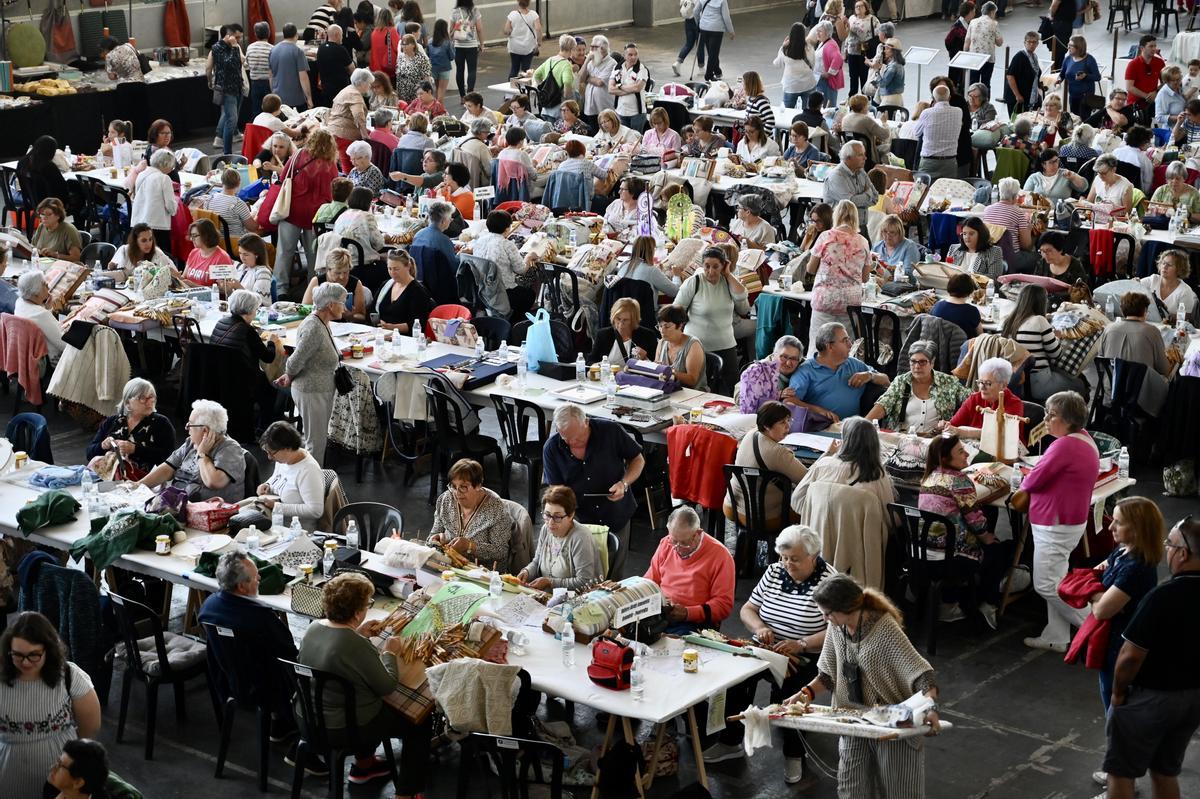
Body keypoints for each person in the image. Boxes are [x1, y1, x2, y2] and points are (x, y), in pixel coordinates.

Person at [783, 573, 940, 797]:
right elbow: (828, 675)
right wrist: (804, 694)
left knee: (901, 789)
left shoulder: (884, 630)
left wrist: (930, 708)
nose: (825, 619)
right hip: (853, 716)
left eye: (827, 613)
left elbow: (923, 676)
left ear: (845, 608)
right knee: (851, 788)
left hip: (892, 718)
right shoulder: (838, 628)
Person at [702, 524, 834, 783]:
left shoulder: (829, 582)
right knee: (736, 680)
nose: (787, 564)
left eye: (794, 559)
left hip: (805, 653)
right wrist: (760, 627)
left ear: (813, 556)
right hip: (766, 648)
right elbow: (747, 610)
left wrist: (802, 643)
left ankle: (794, 754)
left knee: (791, 691)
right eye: (783, 557)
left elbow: (837, 629)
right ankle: (730, 742)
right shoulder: (774, 572)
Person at [297, 573, 431, 797]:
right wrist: (390, 652)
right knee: (419, 723)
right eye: (368, 603)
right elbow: (387, 686)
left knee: (357, 697)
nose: (368, 608)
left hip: (308, 719)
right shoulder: (355, 645)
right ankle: (406, 793)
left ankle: (365, 766)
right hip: (343, 729)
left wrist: (358, 633)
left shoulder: (313, 629)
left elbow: (334, 653)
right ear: (358, 612)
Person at [1102, 516, 1200, 799]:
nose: (1166, 550)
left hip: (1153, 698)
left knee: (1121, 773)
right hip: (1193, 698)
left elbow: (1130, 655)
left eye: (1170, 544)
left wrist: (1118, 692)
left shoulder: (1163, 596)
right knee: (1165, 771)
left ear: (1183, 554)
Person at [1004, 389, 1100, 653]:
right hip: (1069, 520)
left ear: (1068, 420)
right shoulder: (1084, 439)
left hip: (1055, 523)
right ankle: (1056, 636)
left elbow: (1033, 480)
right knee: (1056, 579)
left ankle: (1095, 626)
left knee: (1045, 584)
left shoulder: (1064, 445)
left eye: (1052, 415)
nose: (1046, 419)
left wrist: (1027, 475)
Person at [196, 550, 308, 747]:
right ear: (241, 586)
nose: (259, 578)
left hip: (226, 680)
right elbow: (289, 653)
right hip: (262, 688)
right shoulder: (260, 617)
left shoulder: (208, 606)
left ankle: (280, 723)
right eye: (256, 576)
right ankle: (307, 741)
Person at [0, 612, 102, 799]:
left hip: (61, 775)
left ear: (48, 650)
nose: (25, 662)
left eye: (34, 655)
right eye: (17, 655)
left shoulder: (69, 676)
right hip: (9, 774)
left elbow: (90, 726)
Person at [919, 432, 1013, 627]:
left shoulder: (928, 478)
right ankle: (987, 604)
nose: (966, 456)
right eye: (961, 452)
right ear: (945, 458)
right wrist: (986, 536)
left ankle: (951, 601)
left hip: (924, 554)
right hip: (952, 558)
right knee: (1000, 550)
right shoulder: (960, 480)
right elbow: (976, 521)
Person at [543, 404, 645, 577]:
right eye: (566, 438)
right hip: (579, 517)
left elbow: (637, 459)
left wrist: (623, 483)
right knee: (580, 573)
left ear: (586, 423)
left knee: (614, 575)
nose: (572, 443)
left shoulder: (610, 431)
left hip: (615, 512)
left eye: (577, 438)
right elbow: (556, 493)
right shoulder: (552, 448)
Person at [1088, 497, 1165, 724]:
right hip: (1111, 644)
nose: (1110, 526)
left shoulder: (1135, 567)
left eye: (1118, 522)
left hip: (1119, 649)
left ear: (1137, 528)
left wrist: (1091, 592)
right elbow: (1097, 572)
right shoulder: (1122, 552)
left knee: (1117, 713)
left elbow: (1101, 611)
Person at [274, 282, 346, 462]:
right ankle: (312, 484)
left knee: (317, 440)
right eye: (342, 303)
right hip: (312, 390)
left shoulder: (322, 322)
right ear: (330, 305)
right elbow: (295, 360)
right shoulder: (314, 327)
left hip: (319, 389)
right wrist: (289, 374)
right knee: (315, 442)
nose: (345, 308)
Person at [645, 506, 735, 634]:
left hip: (694, 621)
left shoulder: (721, 556)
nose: (676, 548)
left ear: (697, 534)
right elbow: (649, 581)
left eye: (683, 543)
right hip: (662, 613)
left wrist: (688, 613)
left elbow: (723, 605)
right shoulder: (666, 543)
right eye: (673, 541)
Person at [673, 246, 748, 393]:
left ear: (724, 265)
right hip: (697, 347)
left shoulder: (728, 282)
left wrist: (728, 274)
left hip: (726, 345)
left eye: (716, 266)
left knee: (730, 391)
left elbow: (743, 304)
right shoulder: (693, 282)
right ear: (702, 266)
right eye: (707, 266)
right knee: (698, 391)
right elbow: (676, 312)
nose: (711, 271)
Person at [140, 399, 247, 501]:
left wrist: (202, 454)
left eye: (190, 425)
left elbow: (214, 482)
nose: (187, 429)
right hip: (177, 505)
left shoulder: (230, 449)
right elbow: (168, 468)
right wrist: (138, 485)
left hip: (208, 515)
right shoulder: (191, 442)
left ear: (205, 431)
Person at [724, 401, 809, 527]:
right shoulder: (777, 453)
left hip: (731, 507)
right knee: (812, 510)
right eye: (782, 423)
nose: (787, 427)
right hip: (762, 518)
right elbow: (807, 479)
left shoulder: (751, 434)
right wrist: (827, 455)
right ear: (767, 426)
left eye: (788, 421)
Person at [273, 130, 339, 288]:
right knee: (314, 256)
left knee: (284, 252)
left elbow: (283, 178)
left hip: (292, 211)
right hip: (316, 217)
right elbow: (334, 191)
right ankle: (312, 288)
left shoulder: (299, 155)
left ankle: (280, 288)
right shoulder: (330, 164)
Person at [789, 322, 889, 422]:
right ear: (829, 346)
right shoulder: (806, 370)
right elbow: (789, 401)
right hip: (819, 429)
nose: (850, 345)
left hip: (852, 429)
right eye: (845, 341)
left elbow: (886, 381)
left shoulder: (854, 364)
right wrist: (818, 411)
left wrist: (870, 375)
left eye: (849, 340)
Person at [806, 200, 869, 354]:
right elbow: (865, 277)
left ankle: (816, 375)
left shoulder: (825, 237)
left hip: (825, 299)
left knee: (818, 346)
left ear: (836, 216)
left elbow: (811, 269)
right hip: (850, 302)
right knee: (846, 349)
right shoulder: (863, 242)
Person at [1002, 283, 1084, 399]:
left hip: (1016, 382)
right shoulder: (1039, 320)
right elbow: (1056, 354)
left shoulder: (1009, 321)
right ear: (1040, 302)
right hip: (1039, 383)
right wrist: (1058, 337)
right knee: (1081, 385)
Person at [866, 340, 970, 432]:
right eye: (913, 361)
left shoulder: (948, 382)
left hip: (936, 442)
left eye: (922, 362)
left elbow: (971, 399)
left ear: (932, 362)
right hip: (902, 440)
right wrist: (862, 426)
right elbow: (883, 405)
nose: (917, 366)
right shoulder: (901, 382)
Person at [85, 377, 176, 479]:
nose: (149, 401)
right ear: (128, 402)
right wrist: (103, 446)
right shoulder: (112, 421)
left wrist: (135, 449)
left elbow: (170, 460)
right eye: (142, 398)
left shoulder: (161, 423)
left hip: (143, 482)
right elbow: (89, 453)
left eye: (151, 397)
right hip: (107, 478)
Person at [518, 485, 602, 590]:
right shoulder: (546, 529)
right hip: (547, 595)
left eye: (557, 517)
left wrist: (550, 582)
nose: (551, 522)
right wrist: (527, 571)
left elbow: (585, 582)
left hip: (576, 598)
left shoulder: (581, 538)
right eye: (547, 515)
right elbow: (537, 561)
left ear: (571, 515)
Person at [428, 458, 512, 563]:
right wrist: (436, 540)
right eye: (453, 486)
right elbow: (432, 537)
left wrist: (470, 546)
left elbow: (501, 551)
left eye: (463, 487)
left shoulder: (496, 509)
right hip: (448, 567)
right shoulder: (446, 500)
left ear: (478, 486)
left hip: (482, 573)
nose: (457, 493)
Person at [255, 421, 325, 527]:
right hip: (276, 522)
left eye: (272, 452)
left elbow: (315, 511)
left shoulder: (309, 471)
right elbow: (277, 477)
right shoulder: (284, 460)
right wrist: (267, 485)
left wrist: (277, 506)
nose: (269, 457)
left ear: (287, 448)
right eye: (267, 452)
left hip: (296, 530)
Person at [470, 209, 537, 315]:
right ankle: (515, 320)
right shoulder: (506, 244)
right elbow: (521, 270)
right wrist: (528, 257)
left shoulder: (479, 241)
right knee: (530, 293)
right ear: (507, 229)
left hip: (483, 290)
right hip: (503, 292)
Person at [943, 357, 1024, 443]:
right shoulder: (974, 399)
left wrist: (965, 432)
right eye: (980, 382)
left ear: (1003, 385)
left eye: (988, 383)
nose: (982, 387)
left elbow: (1002, 434)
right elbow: (953, 425)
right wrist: (946, 426)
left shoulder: (1014, 404)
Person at [1098, 292, 1171, 378]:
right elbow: (1164, 369)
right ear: (1145, 311)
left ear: (1122, 310)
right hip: (1142, 388)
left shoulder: (1108, 329)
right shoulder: (1152, 331)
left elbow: (1101, 364)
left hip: (1111, 387)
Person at [735, 335, 804, 414]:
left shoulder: (803, 369)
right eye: (784, 357)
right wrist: (776, 395)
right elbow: (739, 395)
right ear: (774, 354)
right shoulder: (758, 370)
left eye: (794, 359)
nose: (788, 363)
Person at [130, 149, 179, 256]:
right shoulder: (164, 178)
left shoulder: (141, 174)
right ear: (165, 165)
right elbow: (171, 207)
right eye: (172, 166)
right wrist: (176, 204)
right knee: (160, 257)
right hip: (158, 225)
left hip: (138, 221)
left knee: (142, 255)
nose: (171, 169)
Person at [207, 24, 246, 156]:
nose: (239, 40)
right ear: (228, 36)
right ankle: (227, 152)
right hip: (227, 89)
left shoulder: (236, 46)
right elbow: (229, 63)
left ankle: (223, 143)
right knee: (231, 120)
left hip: (237, 86)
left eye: (240, 37)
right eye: (237, 37)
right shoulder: (217, 48)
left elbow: (242, 61)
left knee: (230, 117)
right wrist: (209, 80)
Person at [376, 249, 434, 332]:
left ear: (408, 266)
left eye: (396, 269)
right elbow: (372, 310)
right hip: (382, 332)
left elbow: (418, 323)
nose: (392, 273)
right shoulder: (386, 285)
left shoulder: (418, 291)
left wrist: (392, 327)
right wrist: (379, 322)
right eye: (389, 269)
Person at [913, 84, 963, 180]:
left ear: (933, 98)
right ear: (949, 97)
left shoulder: (927, 113)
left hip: (929, 161)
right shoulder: (958, 112)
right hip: (950, 161)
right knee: (948, 192)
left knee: (923, 191)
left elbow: (917, 133)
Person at [327, 68, 373, 173]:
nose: (369, 86)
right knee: (349, 164)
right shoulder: (355, 94)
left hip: (334, 130)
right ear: (362, 83)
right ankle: (349, 186)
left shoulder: (346, 90)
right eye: (369, 83)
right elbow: (358, 114)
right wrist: (364, 134)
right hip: (345, 133)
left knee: (339, 161)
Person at [589, 296, 659, 364]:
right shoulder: (603, 334)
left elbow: (657, 366)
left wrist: (645, 358)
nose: (620, 324)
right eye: (618, 319)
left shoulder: (647, 336)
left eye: (625, 320)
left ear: (633, 320)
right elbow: (589, 362)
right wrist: (599, 365)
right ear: (613, 317)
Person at [13, 271, 65, 363]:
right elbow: (63, 344)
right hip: (52, 360)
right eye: (45, 284)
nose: (48, 287)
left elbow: (39, 320)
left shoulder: (20, 302)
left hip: (30, 355)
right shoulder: (41, 314)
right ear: (36, 292)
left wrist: (47, 308)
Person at [654, 304, 707, 390]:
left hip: (693, 393)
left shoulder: (693, 345)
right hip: (669, 389)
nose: (662, 330)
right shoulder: (662, 342)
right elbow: (657, 368)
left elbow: (692, 380)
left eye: (667, 326)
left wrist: (670, 372)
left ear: (680, 325)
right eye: (660, 326)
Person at [823, 141, 877, 225]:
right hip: (841, 228)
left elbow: (876, 197)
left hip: (860, 226)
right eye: (860, 155)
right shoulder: (836, 175)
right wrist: (867, 194)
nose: (865, 158)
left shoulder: (861, 172)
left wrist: (858, 199)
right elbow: (850, 203)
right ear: (848, 158)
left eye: (864, 154)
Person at [982, 177, 1032, 262]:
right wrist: (1029, 229)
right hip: (1010, 257)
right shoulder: (1019, 213)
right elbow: (1026, 245)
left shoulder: (987, 209)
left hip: (988, 255)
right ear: (1015, 196)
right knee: (1037, 257)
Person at [1141, 249, 1197, 320]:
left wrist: (1164, 315)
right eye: (1163, 263)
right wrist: (1133, 283)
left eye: (1169, 265)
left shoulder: (1185, 291)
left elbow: (1186, 318)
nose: (1164, 267)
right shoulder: (1153, 279)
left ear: (1179, 269)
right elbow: (1131, 287)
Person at [47, 738, 112, 799]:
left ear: (78, 782)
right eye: (58, 761)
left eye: (60, 765)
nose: (52, 767)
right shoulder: (51, 788)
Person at [270, 24, 314, 111]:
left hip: (278, 98)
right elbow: (303, 77)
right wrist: (309, 98)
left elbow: (271, 75)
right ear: (296, 35)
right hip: (296, 100)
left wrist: (273, 93)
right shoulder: (298, 51)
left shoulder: (273, 50)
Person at [578, 35, 616, 130]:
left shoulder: (612, 63)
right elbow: (580, 79)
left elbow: (600, 82)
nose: (591, 49)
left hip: (604, 108)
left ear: (603, 49)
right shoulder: (591, 62)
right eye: (591, 46)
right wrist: (586, 60)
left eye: (594, 47)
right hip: (590, 108)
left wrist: (588, 78)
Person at [207, 169, 260, 238]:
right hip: (237, 243)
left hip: (216, 242)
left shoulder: (209, 199)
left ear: (222, 182)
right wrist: (260, 212)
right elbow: (253, 227)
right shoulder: (238, 204)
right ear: (238, 183)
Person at [609, 43, 649, 132]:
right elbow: (610, 89)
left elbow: (637, 88)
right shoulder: (617, 68)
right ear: (624, 55)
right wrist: (629, 89)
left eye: (635, 54)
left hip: (637, 113)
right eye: (630, 55)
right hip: (620, 111)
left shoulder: (642, 69)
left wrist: (619, 86)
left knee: (636, 140)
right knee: (623, 140)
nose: (633, 57)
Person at [775, 23, 817, 108]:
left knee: (788, 112)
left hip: (791, 86)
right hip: (808, 84)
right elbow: (813, 64)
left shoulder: (785, 49)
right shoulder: (809, 48)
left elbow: (777, 64)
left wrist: (782, 46)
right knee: (808, 111)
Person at [182, 219, 233, 288]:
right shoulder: (194, 252)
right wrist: (176, 277)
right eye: (191, 236)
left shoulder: (222, 258)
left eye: (195, 236)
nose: (191, 239)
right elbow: (184, 277)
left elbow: (225, 290)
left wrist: (195, 286)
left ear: (206, 236)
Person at [449, 0, 484, 103]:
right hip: (472, 46)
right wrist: (482, 43)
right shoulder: (475, 11)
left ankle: (462, 97)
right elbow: (479, 29)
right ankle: (470, 95)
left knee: (460, 70)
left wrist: (456, 27)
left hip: (458, 46)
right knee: (472, 70)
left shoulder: (454, 12)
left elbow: (450, 32)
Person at [931, 272, 983, 337]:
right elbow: (981, 336)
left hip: (938, 345)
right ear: (970, 290)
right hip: (964, 346)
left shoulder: (937, 305)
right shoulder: (972, 311)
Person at [109, 223, 174, 274]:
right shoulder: (124, 250)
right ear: (135, 241)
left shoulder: (157, 252)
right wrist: (112, 267)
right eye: (144, 240)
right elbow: (112, 270)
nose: (148, 244)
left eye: (150, 239)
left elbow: (174, 274)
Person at [30, 198, 82, 263]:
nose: (44, 217)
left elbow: (76, 258)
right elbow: (32, 246)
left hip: (62, 268)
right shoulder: (41, 226)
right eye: (42, 214)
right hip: (43, 265)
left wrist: (55, 255)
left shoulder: (69, 229)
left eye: (49, 214)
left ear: (58, 215)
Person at [1059, 36, 1100, 117]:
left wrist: (1085, 76)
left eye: (1071, 46)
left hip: (1085, 97)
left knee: (1083, 120)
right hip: (1073, 95)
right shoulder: (1068, 59)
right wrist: (1059, 79)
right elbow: (1062, 73)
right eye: (1068, 45)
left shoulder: (1090, 60)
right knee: (1074, 118)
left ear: (1079, 47)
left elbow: (1097, 77)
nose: (1068, 47)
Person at [840, 94, 891, 159]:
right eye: (867, 105)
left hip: (850, 152)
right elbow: (885, 135)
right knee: (889, 146)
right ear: (864, 107)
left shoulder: (845, 118)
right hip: (867, 153)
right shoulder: (866, 120)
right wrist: (884, 122)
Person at [871, 214, 920, 282]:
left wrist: (893, 269)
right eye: (885, 231)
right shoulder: (877, 246)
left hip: (902, 287)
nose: (888, 235)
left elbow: (912, 275)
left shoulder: (909, 246)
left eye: (892, 232)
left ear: (900, 233)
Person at [1124, 34, 1164, 118]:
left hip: (1153, 101)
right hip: (1135, 103)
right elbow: (1129, 87)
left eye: (1155, 46)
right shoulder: (1133, 64)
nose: (1154, 49)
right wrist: (1147, 96)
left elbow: (1165, 82)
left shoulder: (1159, 62)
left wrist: (1155, 92)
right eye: (1150, 46)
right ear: (1142, 48)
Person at [964, 1, 1001, 88]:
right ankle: (985, 100)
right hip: (988, 58)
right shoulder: (994, 23)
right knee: (986, 83)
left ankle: (971, 100)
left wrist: (965, 54)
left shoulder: (973, 22)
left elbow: (967, 41)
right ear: (992, 12)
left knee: (973, 82)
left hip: (974, 57)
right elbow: (999, 42)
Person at [1003, 30, 1042, 114]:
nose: (1031, 44)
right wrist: (1017, 95)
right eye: (1029, 42)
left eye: (1034, 42)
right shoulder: (1019, 57)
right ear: (1024, 43)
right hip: (1017, 99)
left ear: (1037, 44)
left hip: (1029, 97)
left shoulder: (1034, 56)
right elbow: (1010, 76)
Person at [695, 0, 734, 82]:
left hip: (704, 27)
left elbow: (695, 11)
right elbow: (726, 17)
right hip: (717, 29)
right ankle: (708, 75)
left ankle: (717, 71)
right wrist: (731, 31)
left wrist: (698, 23)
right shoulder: (722, 1)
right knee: (713, 53)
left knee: (711, 52)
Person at [316, 24, 353, 107]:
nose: (342, 37)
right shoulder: (340, 49)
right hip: (340, 90)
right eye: (341, 35)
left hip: (325, 88)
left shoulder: (321, 48)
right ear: (337, 35)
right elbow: (351, 69)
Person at [503, 0, 541, 78]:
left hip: (514, 47)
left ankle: (510, 87)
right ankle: (524, 87)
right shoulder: (534, 15)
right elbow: (538, 29)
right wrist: (539, 42)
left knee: (514, 68)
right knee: (526, 70)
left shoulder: (512, 14)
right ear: (529, 2)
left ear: (518, 2)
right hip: (528, 47)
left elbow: (506, 30)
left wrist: (511, 31)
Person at [1113, 125, 1155, 194]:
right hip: (1133, 195)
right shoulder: (1145, 160)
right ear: (1143, 142)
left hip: (1113, 189)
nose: (1149, 144)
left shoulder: (1116, 152)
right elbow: (1147, 186)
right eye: (1148, 142)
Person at [394, 33, 432, 103]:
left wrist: (427, 93)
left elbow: (426, 78)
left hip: (416, 95)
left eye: (406, 44)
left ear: (414, 45)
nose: (404, 47)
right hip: (402, 94)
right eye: (402, 44)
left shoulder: (421, 59)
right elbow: (398, 77)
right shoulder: (401, 57)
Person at [425, 21, 455, 104]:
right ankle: (439, 110)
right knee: (441, 90)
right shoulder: (447, 42)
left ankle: (436, 108)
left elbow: (427, 56)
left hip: (433, 68)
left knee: (437, 90)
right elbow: (452, 57)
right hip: (444, 69)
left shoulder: (430, 41)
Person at [369, 8, 399, 79]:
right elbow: (398, 48)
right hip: (388, 69)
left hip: (376, 69)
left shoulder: (374, 32)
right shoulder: (392, 31)